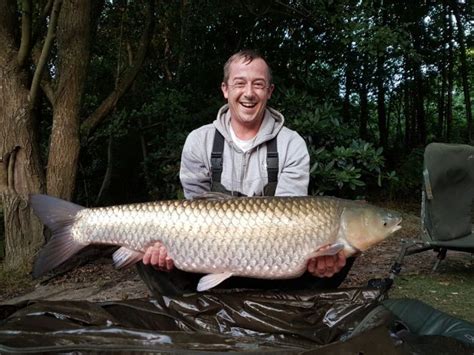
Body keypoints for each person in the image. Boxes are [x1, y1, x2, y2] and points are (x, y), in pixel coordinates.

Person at [137, 50, 353, 295]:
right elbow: (193, 213)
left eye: (258, 85)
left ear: (269, 92)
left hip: (272, 260)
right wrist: (168, 249)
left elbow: (290, 223)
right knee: (146, 251)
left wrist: (319, 255)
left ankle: (279, 307)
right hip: (208, 254)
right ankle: (197, 306)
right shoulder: (199, 140)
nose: (249, 93)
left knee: (342, 252)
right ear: (225, 89)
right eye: (240, 83)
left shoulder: (291, 143)